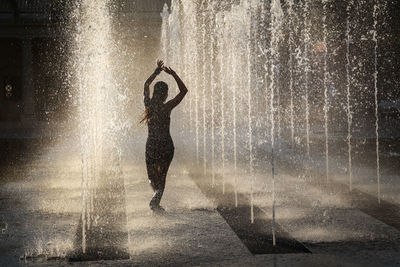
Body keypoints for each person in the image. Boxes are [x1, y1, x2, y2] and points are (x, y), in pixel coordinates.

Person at [141, 60, 188, 212]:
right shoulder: (166, 107)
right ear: (166, 94)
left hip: (152, 145)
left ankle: (156, 195)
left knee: (152, 177)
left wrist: (157, 71)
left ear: (155, 92)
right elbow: (183, 91)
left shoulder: (148, 105)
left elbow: (146, 85)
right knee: (162, 177)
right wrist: (173, 73)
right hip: (166, 146)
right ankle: (157, 197)